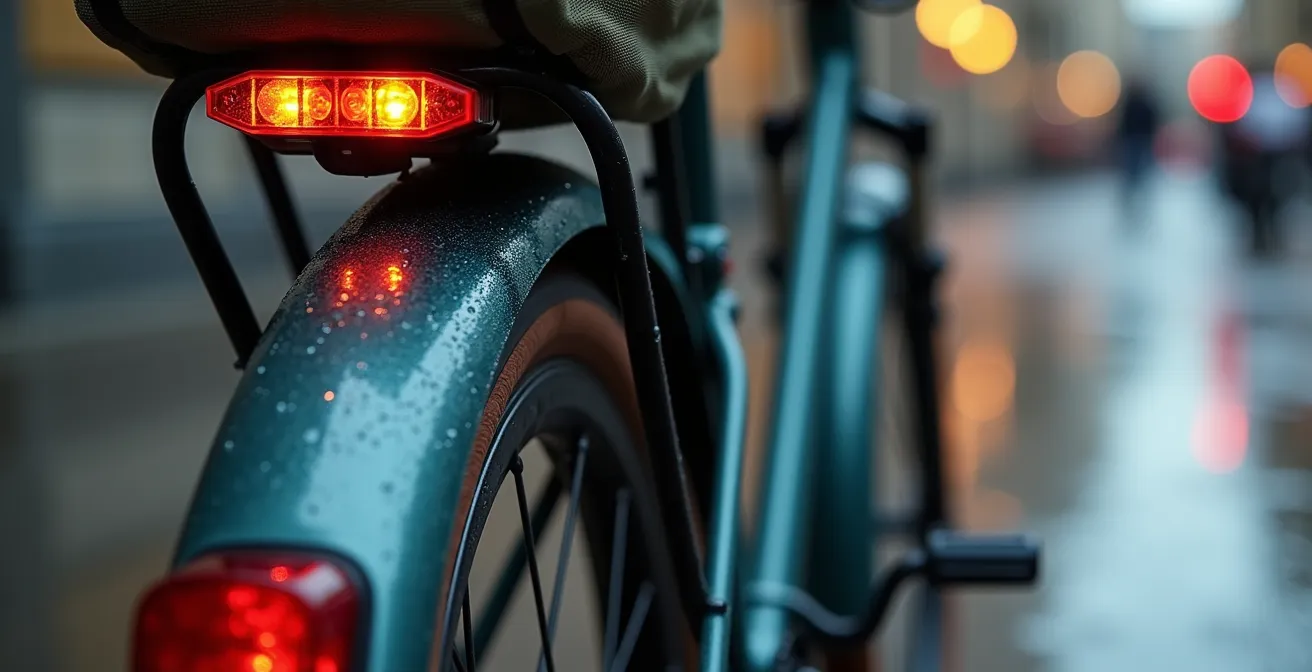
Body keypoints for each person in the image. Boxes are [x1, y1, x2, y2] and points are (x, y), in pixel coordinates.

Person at [1115, 76, 1162, 216]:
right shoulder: (1140, 103)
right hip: (1138, 141)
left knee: (1135, 172)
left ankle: (1133, 198)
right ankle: (1134, 198)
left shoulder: (1130, 103)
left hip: (1137, 141)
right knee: (1137, 172)